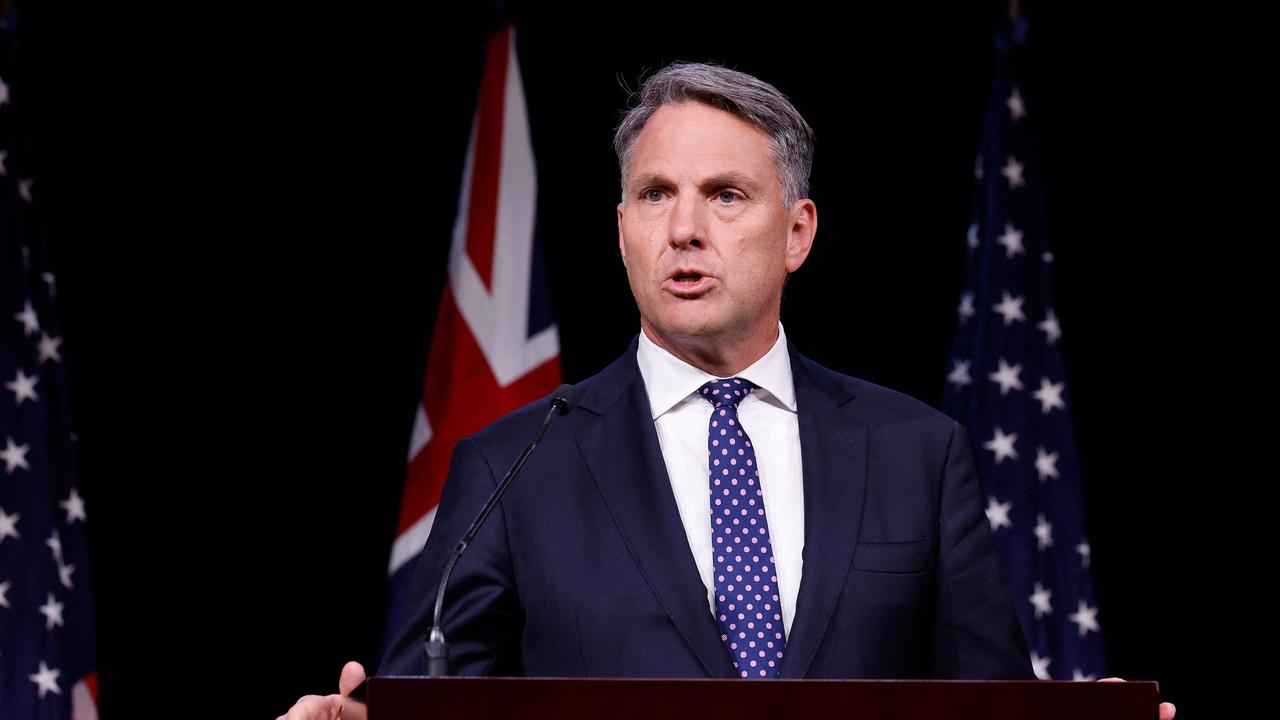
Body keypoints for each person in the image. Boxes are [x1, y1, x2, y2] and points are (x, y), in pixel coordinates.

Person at [280, 62, 1174, 720]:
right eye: (655, 193)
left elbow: (990, 711)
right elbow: (431, 709)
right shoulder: (515, 464)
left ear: (797, 232)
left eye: (726, 195)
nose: (684, 229)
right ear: (621, 230)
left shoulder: (917, 454)